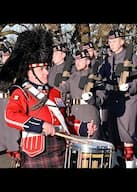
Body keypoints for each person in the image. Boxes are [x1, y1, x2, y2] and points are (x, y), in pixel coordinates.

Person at [0, 28, 96, 168]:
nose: (46, 72)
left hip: (60, 150)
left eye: (47, 67)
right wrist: (40, 125)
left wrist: (82, 127)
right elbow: (10, 116)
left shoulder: (55, 93)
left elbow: (64, 121)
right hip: (36, 152)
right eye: (41, 69)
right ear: (29, 71)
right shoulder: (21, 92)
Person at [98, 29, 137, 168]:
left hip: (128, 99)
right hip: (113, 98)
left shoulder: (131, 57)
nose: (111, 44)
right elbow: (100, 78)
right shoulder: (108, 60)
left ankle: (130, 162)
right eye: (110, 41)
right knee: (114, 133)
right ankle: (120, 159)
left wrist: (129, 86)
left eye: (114, 41)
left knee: (127, 133)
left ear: (122, 41)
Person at [59, 49, 100, 139]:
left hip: (88, 113)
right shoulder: (73, 76)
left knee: (89, 144)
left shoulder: (94, 75)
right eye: (76, 60)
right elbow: (63, 89)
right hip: (75, 114)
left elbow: (102, 96)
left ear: (88, 61)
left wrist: (92, 98)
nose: (78, 62)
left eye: (81, 60)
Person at [0, 38, 21, 168]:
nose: (4, 57)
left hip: (12, 106)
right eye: (3, 55)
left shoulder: (19, 73)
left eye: (7, 55)